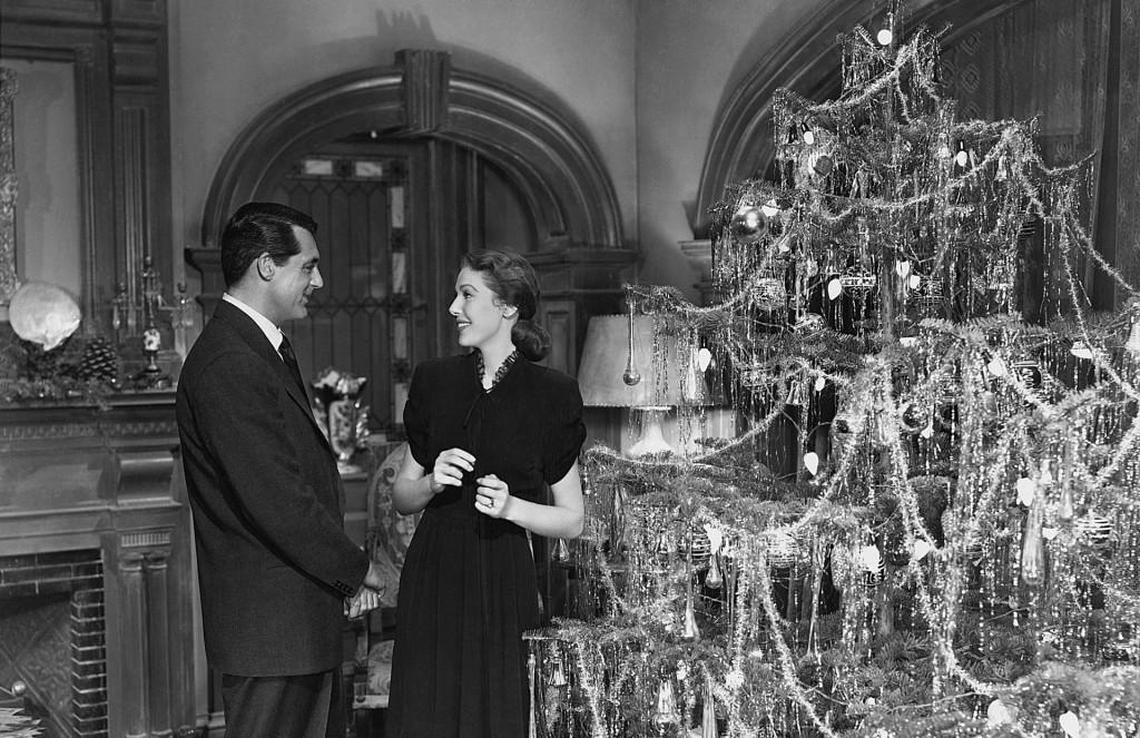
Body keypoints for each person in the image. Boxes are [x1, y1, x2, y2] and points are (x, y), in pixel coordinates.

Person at [176, 202, 386, 737]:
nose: (319, 280)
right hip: (273, 631)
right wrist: (356, 569)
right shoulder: (231, 361)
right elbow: (278, 499)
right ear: (267, 266)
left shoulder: (256, 349)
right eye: (309, 266)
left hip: (292, 623)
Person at [387, 249, 587, 737]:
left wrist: (514, 507)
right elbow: (401, 496)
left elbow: (573, 520)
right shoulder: (434, 381)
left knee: (495, 714)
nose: (454, 307)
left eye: (467, 295)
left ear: (506, 307)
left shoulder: (552, 394)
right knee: (427, 712)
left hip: (503, 574)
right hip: (434, 570)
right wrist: (432, 480)